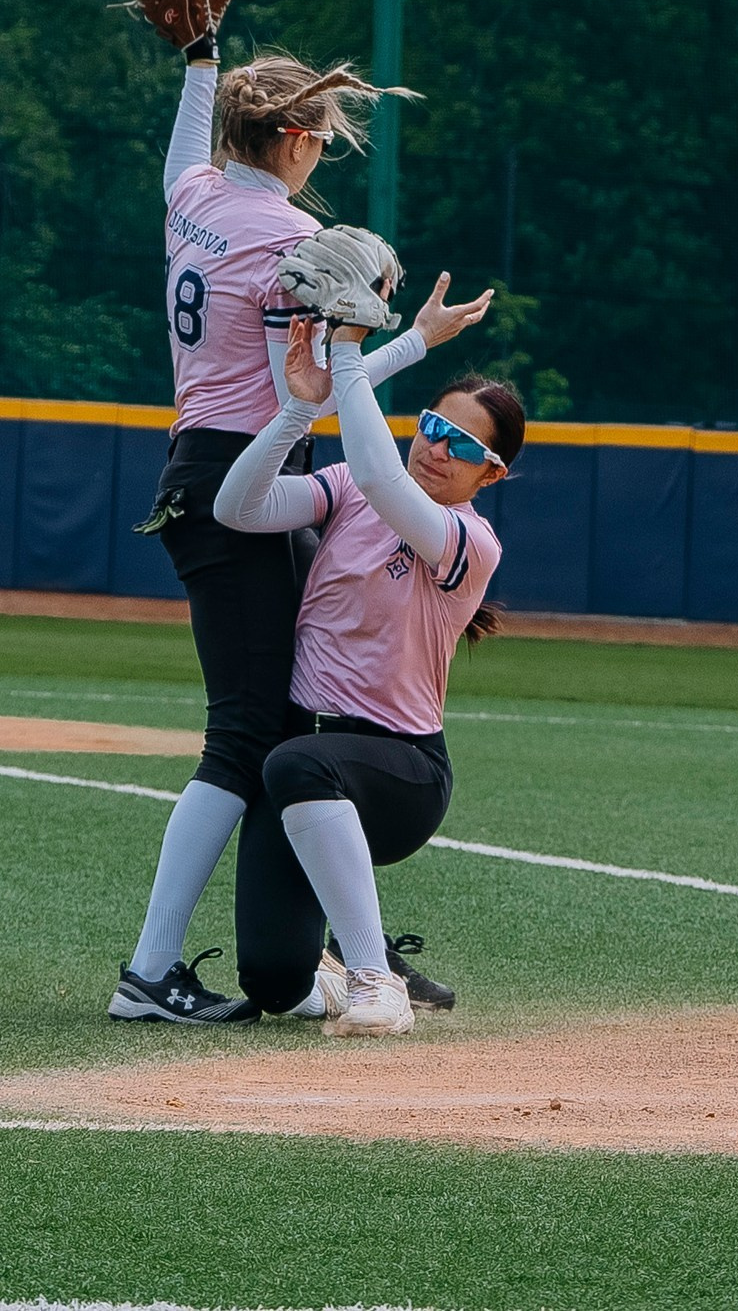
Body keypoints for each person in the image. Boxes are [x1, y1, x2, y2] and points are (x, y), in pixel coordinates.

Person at [111, 43, 491, 1025]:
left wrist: (199, 57)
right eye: (319, 136)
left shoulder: (191, 195)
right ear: (286, 138)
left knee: (281, 730)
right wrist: (383, 340)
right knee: (245, 736)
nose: (322, 153)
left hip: (206, 469)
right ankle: (151, 972)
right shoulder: (285, 233)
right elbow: (308, 391)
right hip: (248, 476)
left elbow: (178, 160)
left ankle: (331, 950)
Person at [212, 315, 524, 1035]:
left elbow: (384, 478)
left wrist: (350, 350)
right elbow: (238, 507)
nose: (437, 449)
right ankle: (336, 962)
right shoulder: (354, 485)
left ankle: (374, 980)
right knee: (268, 978)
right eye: (432, 428)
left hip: (400, 771)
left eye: (463, 445)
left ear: (491, 473)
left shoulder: (470, 540)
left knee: (294, 763)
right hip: (307, 761)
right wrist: (298, 406)